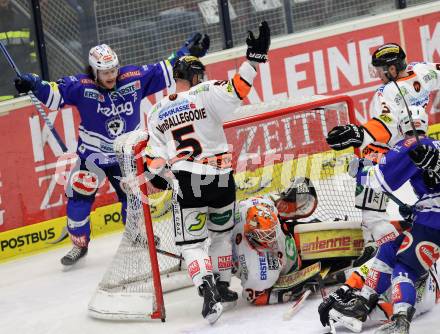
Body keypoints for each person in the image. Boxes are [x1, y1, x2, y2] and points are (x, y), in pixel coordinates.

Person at [14, 33, 210, 266]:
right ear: (94, 72)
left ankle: (136, 235)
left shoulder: (133, 78)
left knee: (134, 201)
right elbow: (52, 94)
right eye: (105, 72)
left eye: (113, 70)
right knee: (78, 198)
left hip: (125, 156)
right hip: (91, 157)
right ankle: (79, 244)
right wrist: (32, 83)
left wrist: (189, 53)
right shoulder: (79, 86)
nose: (111, 76)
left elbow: (165, 69)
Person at [144, 21, 270, 323]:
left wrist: (159, 175)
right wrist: (253, 59)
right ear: (196, 75)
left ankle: (207, 289)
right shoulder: (207, 90)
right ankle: (224, 285)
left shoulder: (156, 110)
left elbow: (153, 156)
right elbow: (238, 89)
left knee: (191, 244)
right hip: (221, 176)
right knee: (221, 234)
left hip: (188, 179)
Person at [325, 105, 440, 334]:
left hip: (433, 220)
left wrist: (359, 171)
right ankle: (363, 302)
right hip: (429, 216)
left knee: (405, 264)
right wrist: (418, 208)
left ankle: (400, 321)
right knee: (389, 249)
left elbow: (380, 181)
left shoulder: (411, 144)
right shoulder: (434, 144)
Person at [326, 43, 440, 266]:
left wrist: (359, 133)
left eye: (380, 70)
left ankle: (386, 248)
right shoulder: (421, 70)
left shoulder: (388, 91)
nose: (378, 75)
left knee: (371, 203)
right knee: (428, 195)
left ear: (393, 69)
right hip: (422, 145)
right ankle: (417, 235)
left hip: (397, 153)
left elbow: (383, 127)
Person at [232, 178, 319, 305]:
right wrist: (288, 293)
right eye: (266, 235)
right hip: (249, 260)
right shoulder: (259, 273)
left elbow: (269, 209)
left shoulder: (252, 206)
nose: (271, 237)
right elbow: (252, 298)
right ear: (253, 235)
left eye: (272, 232)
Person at [0, 0, 38, 101]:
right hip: (3, 91)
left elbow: (34, 50)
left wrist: (33, 73)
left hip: (24, 85)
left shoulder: (23, 20)